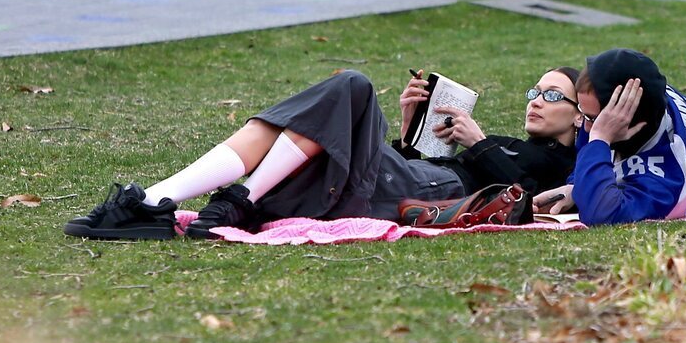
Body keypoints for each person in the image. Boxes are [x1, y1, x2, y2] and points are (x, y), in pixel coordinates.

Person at [64, 67, 583, 240]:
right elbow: (431, 167)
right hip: (392, 174)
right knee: (293, 125)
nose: (537, 101)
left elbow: (522, 192)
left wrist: (479, 141)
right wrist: (410, 128)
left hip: (389, 189)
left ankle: (224, 197)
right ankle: (154, 200)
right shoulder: (515, 146)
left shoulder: (563, 165)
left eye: (552, 95)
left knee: (352, 88)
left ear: (580, 115)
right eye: (534, 92)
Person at [533, 48, 686, 225]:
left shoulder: (670, 176)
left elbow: (602, 215)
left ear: (630, 121)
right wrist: (574, 188)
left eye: (592, 119)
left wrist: (600, 138)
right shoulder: (637, 101)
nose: (586, 127)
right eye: (583, 113)